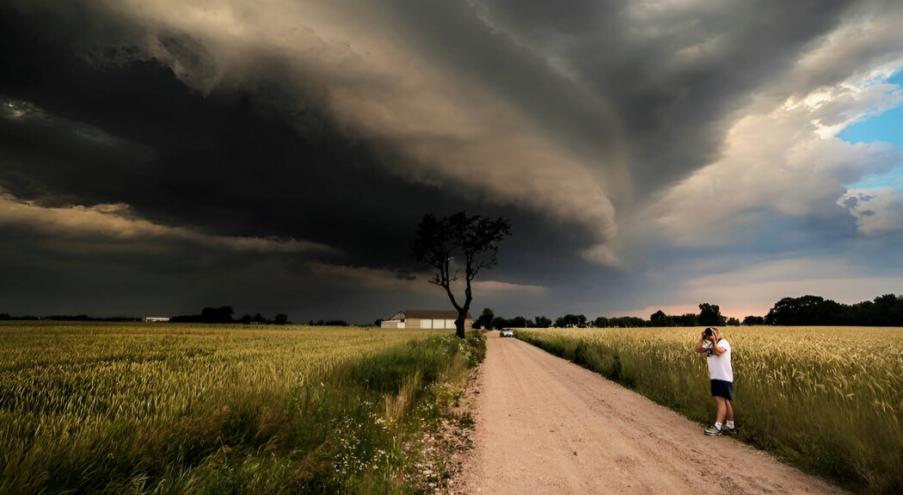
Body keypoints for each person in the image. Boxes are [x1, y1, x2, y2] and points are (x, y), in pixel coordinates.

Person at [694, 327, 736, 436]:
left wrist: (713, 341)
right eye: (709, 333)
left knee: (720, 401)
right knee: (726, 401)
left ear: (717, 333)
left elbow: (718, 352)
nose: (710, 334)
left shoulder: (723, 342)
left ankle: (717, 427)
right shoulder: (709, 345)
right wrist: (702, 338)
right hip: (716, 377)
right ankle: (731, 426)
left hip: (722, 377)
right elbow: (698, 349)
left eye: (712, 332)